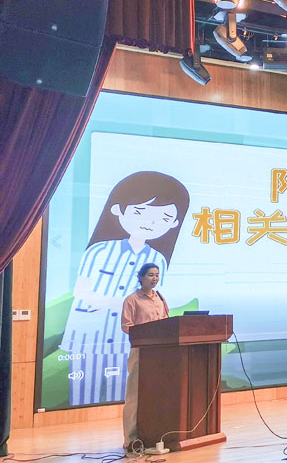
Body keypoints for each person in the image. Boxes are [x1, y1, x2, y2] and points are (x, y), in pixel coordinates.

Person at [59, 171, 189, 407]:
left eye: (163, 218)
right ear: (118, 210)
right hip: (90, 335)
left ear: (174, 223)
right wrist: (122, 303)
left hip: (129, 340)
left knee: (126, 394)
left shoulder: (158, 259)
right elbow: (81, 292)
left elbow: (154, 299)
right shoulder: (99, 251)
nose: (150, 223)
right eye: (140, 212)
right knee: (83, 394)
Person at [121, 263, 170, 450]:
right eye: (150, 275)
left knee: (157, 394)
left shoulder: (160, 298)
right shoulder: (132, 300)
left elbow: (166, 323)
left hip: (160, 353)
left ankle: (154, 435)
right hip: (141, 352)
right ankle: (131, 439)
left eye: (157, 275)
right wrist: (146, 333)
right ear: (141, 277)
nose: (155, 278)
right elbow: (127, 326)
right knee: (135, 396)